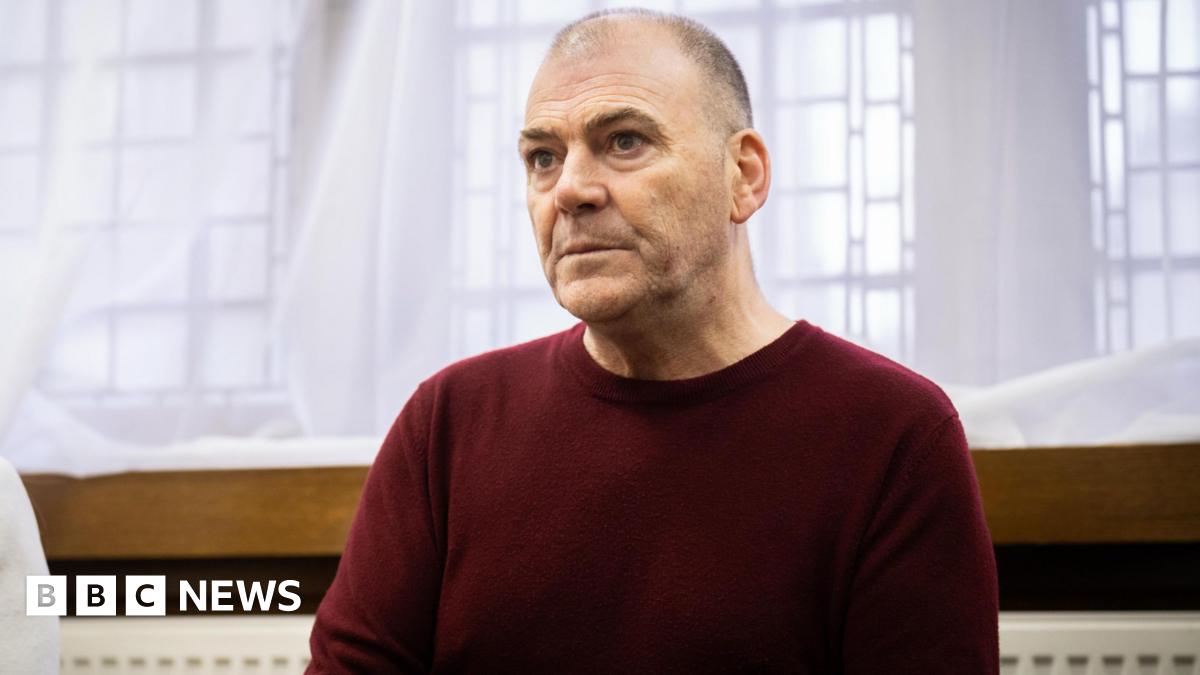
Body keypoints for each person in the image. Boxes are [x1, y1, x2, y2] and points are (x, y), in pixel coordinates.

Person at [307, 8, 998, 674]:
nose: (571, 189)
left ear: (745, 175)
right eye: (543, 156)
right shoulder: (448, 422)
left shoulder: (893, 436)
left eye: (625, 141)